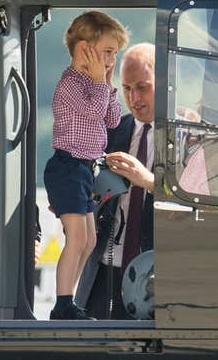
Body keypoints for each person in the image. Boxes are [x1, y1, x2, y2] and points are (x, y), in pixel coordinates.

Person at [43, 11, 128, 320]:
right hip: (67, 166)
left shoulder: (96, 84)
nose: (110, 60)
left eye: (114, 54)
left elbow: (113, 120)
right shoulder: (71, 83)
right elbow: (93, 112)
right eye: (106, 52)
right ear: (83, 49)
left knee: (90, 240)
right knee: (77, 238)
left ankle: (69, 301)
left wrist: (106, 81)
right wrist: (98, 82)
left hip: (84, 168)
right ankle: (62, 305)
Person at [75, 43, 156, 320]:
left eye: (142, 87)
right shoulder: (110, 132)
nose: (134, 98)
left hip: (153, 278)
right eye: (127, 88)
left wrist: (148, 180)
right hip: (103, 273)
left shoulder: (183, 136)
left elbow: (195, 197)